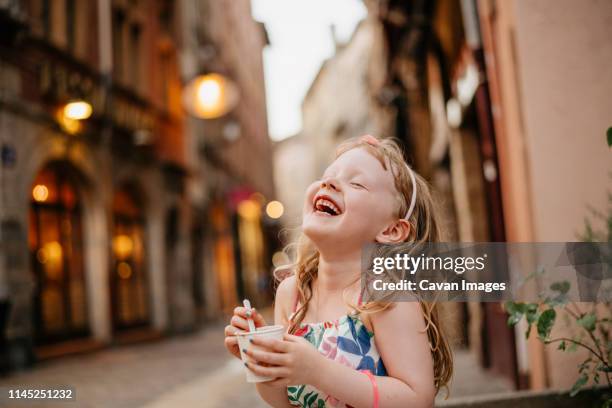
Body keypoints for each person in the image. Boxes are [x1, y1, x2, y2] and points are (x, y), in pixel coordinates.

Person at [224, 135, 453, 407]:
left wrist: (317, 370)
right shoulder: (292, 294)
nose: (328, 183)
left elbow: (417, 398)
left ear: (391, 230)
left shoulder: (385, 297)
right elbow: (284, 402)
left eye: (356, 183)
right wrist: (262, 362)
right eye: (327, 175)